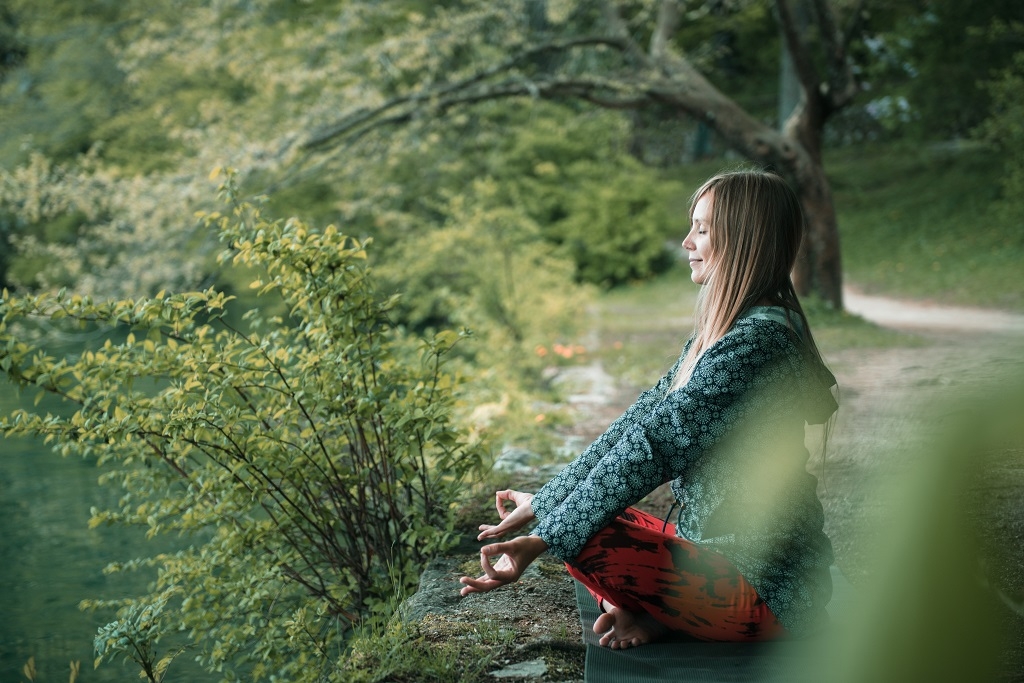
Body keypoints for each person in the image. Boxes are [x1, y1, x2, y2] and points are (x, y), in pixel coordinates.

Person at [459, 169, 838, 649]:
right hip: (714, 554)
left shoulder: (756, 344)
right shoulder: (725, 334)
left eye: (702, 229)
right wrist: (547, 500)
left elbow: (653, 449)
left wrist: (541, 539)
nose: (686, 241)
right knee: (586, 519)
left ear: (743, 239)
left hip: (766, 588)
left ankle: (661, 614)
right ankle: (657, 614)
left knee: (585, 537)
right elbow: (642, 421)